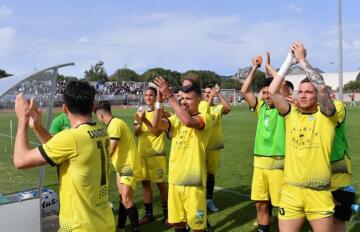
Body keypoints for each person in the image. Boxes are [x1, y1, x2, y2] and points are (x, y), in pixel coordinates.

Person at [13, 80, 115, 231]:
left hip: (79, 226)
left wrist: (23, 120)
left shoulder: (71, 138)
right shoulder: (101, 131)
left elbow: (20, 161)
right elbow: (61, 150)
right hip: (103, 222)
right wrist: (37, 127)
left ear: (65, 108)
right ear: (92, 106)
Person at [268, 42, 341, 232]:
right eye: (300, 92)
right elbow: (273, 91)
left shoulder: (326, 116)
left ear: (317, 96)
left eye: (308, 92)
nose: (303, 95)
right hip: (291, 191)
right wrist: (289, 62)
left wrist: (302, 60)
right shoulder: (291, 114)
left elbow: (323, 88)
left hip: (319, 192)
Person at [152, 76, 213, 232]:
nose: (184, 101)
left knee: (198, 227)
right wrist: (159, 101)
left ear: (199, 99)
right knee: (178, 226)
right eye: (181, 98)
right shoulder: (175, 119)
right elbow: (155, 126)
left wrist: (170, 97)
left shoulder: (205, 118)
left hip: (194, 185)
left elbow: (189, 122)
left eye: (188, 98)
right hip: (175, 182)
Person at [240, 55, 290, 232]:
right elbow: (244, 91)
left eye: (270, 92)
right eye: (265, 92)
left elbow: (283, 87)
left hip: (278, 164)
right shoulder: (261, 107)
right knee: (260, 204)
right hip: (259, 164)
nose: (267, 95)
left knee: (282, 206)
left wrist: (269, 67)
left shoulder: (285, 110)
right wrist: (254, 68)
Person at [94, 101, 141, 232]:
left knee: (126, 199)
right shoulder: (114, 124)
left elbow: (112, 147)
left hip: (128, 166)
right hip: (121, 167)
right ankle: (120, 227)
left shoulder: (115, 124)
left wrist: (100, 164)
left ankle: (136, 229)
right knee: (122, 198)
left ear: (101, 116)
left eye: (97, 117)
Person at [134, 87, 169, 225]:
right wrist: (140, 121)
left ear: (156, 97)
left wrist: (145, 121)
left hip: (156, 155)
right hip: (142, 154)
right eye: (146, 95)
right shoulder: (140, 112)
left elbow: (156, 132)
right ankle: (149, 214)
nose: (148, 97)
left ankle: (168, 214)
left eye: (151, 95)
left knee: (161, 185)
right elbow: (136, 133)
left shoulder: (161, 113)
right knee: (145, 184)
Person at [202, 84, 231, 212]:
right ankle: (200, 200)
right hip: (201, 147)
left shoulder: (218, 108)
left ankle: (209, 200)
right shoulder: (200, 107)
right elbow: (204, 113)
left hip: (214, 147)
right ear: (203, 95)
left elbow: (228, 108)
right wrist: (210, 99)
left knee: (211, 175)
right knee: (200, 175)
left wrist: (218, 94)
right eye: (206, 93)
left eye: (210, 92)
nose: (209, 94)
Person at [329, 100, 353, 232]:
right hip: (314, 169)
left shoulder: (336, 105)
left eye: (310, 91)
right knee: (319, 216)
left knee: (337, 217)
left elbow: (328, 119)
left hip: (338, 169)